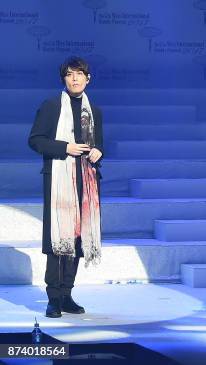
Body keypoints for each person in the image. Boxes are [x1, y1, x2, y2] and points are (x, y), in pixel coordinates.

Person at [28, 56, 104, 318]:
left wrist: (97, 152)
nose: (75, 79)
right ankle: (54, 298)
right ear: (64, 79)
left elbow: (99, 145)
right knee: (58, 239)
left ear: (87, 78)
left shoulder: (95, 111)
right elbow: (35, 140)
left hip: (86, 180)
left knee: (78, 238)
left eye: (79, 74)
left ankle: (68, 294)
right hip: (59, 180)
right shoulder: (51, 106)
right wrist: (65, 148)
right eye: (70, 75)